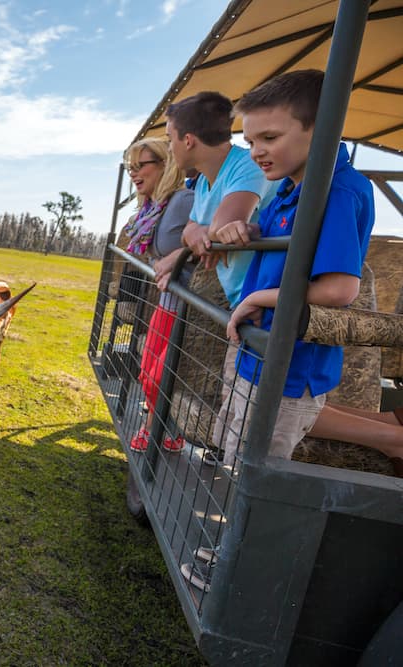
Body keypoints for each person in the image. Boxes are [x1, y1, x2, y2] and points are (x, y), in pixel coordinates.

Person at [183, 69, 376, 592]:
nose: (258, 152)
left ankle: (242, 576)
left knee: (261, 472)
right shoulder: (290, 189)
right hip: (256, 352)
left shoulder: (337, 190)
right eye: (250, 141)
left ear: (325, 129)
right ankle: (231, 551)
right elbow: (276, 250)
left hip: (288, 368)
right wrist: (242, 230)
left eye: (269, 138)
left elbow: (339, 289)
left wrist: (258, 298)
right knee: (240, 457)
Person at [163, 91, 277, 465]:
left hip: (263, 297)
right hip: (242, 297)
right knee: (239, 386)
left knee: (261, 394)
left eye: (169, 138)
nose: (170, 147)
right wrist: (195, 236)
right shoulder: (207, 181)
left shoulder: (244, 166)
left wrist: (201, 234)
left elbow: (224, 225)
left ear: (188, 140)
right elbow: (197, 229)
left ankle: (388, 431)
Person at [119, 137, 195, 452]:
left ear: (165, 165)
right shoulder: (153, 209)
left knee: (159, 376)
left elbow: (208, 238)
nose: (134, 174)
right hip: (164, 305)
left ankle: (155, 429)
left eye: (141, 166)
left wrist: (178, 255)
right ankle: (169, 430)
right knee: (148, 371)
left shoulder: (185, 199)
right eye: (129, 168)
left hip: (187, 308)